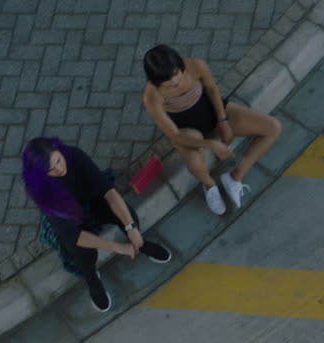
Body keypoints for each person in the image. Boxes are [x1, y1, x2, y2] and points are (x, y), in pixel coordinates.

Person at [21, 137, 172, 313]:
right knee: (83, 253)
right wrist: (117, 247)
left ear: (59, 150)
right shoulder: (41, 192)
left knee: (128, 216)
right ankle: (91, 278)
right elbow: (76, 236)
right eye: (51, 170)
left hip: (93, 201)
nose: (60, 170)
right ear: (41, 175)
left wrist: (131, 228)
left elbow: (109, 192)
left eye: (58, 161)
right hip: (71, 218)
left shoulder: (74, 155)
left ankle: (141, 243)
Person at [141, 44, 282, 215]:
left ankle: (234, 178)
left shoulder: (196, 65)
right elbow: (176, 136)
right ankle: (210, 186)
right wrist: (211, 145)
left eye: (177, 74)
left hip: (211, 111)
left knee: (273, 127)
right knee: (194, 162)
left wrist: (223, 120)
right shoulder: (151, 97)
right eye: (167, 81)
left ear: (180, 65)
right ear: (155, 80)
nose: (175, 82)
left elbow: (212, 89)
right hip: (186, 127)